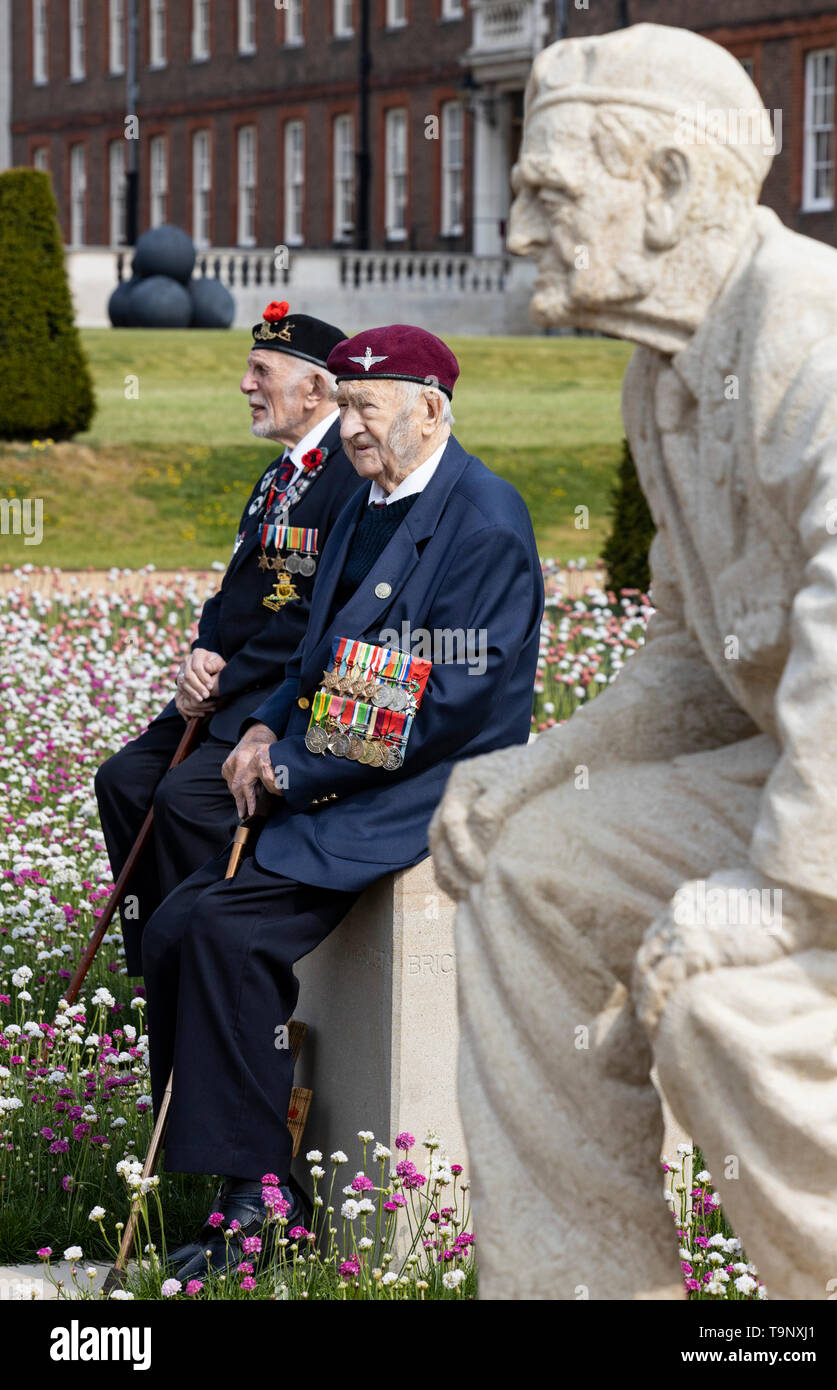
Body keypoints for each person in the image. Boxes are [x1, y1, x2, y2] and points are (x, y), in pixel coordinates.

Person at [430, 25, 837, 1301]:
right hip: (819, 777)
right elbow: (693, 654)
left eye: (548, 194)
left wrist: (781, 898)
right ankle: (578, 1284)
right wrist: (540, 771)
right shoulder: (664, 374)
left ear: (669, 188)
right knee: (535, 871)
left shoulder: (827, 355)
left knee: (735, 1022)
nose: (517, 235)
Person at [140, 325, 544, 1278]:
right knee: (172, 930)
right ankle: (218, 1175)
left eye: (366, 408)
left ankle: (260, 1207)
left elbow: (451, 705)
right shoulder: (372, 498)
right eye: (347, 406)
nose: (349, 425)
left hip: (417, 790)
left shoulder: (483, 519)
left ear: (430, 410)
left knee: (227, 934)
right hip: (341, 770)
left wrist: (297, 771)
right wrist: (259, 730)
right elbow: (315, 656)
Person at [94, 305, 361, 975]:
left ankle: (203, 959)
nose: (245, 384)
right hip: (222, 679)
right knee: (124, 780)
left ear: (315, 388)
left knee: (183, 801)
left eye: (260, 371)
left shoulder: (343, 477)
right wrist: (199, 653)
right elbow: (235, 587)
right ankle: (157, 960)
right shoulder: (280, 473)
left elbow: (311, 613)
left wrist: (227, 673)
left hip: (270, 690)